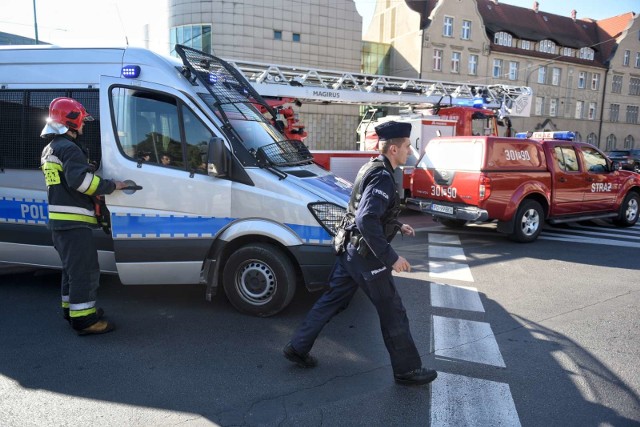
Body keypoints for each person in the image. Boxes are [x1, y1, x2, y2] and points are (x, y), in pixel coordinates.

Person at [283, 121, 438, 386]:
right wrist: (392, 257)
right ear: (392, 149)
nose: (409, 151)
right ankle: (407, 370)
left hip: (351, 250)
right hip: (367, 257)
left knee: (332, 300)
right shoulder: (382, 176)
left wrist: (398, 224)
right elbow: (366, 219)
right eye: (407, 146)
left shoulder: (372, 167)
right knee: (393, 310)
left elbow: (364, 212)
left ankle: (298, 347)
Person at [40, 97, 127, 336]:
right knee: (85, 271)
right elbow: (81, 182)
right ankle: (84, 320)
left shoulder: (52, 148)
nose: (84, 125)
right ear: (72, 120)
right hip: (73, 223)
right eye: (82, 120)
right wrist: (112, 186)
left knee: (71, 270)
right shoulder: (68, 148)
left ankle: (72, 310)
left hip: (60, 223)